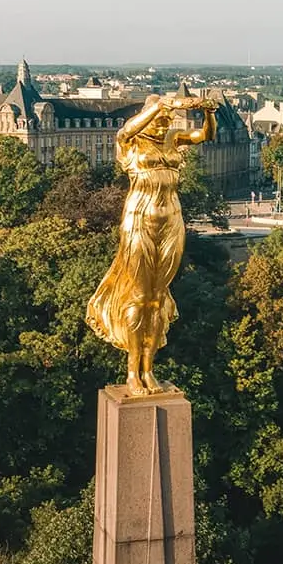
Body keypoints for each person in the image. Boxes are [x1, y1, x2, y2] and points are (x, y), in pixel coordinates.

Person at [86, 93, 217, 396]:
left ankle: (148, 369)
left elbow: (205, 134)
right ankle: (133, 372)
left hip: (172, 220)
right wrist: (161, 105)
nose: (163, 125)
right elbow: (124, 131)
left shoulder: (172, 139)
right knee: (140, 296)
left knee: (158, 298)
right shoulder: (131, 143)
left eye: (167, 121)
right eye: (159, 120)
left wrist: (210, 111)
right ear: (148, 116)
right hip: (139, 220)